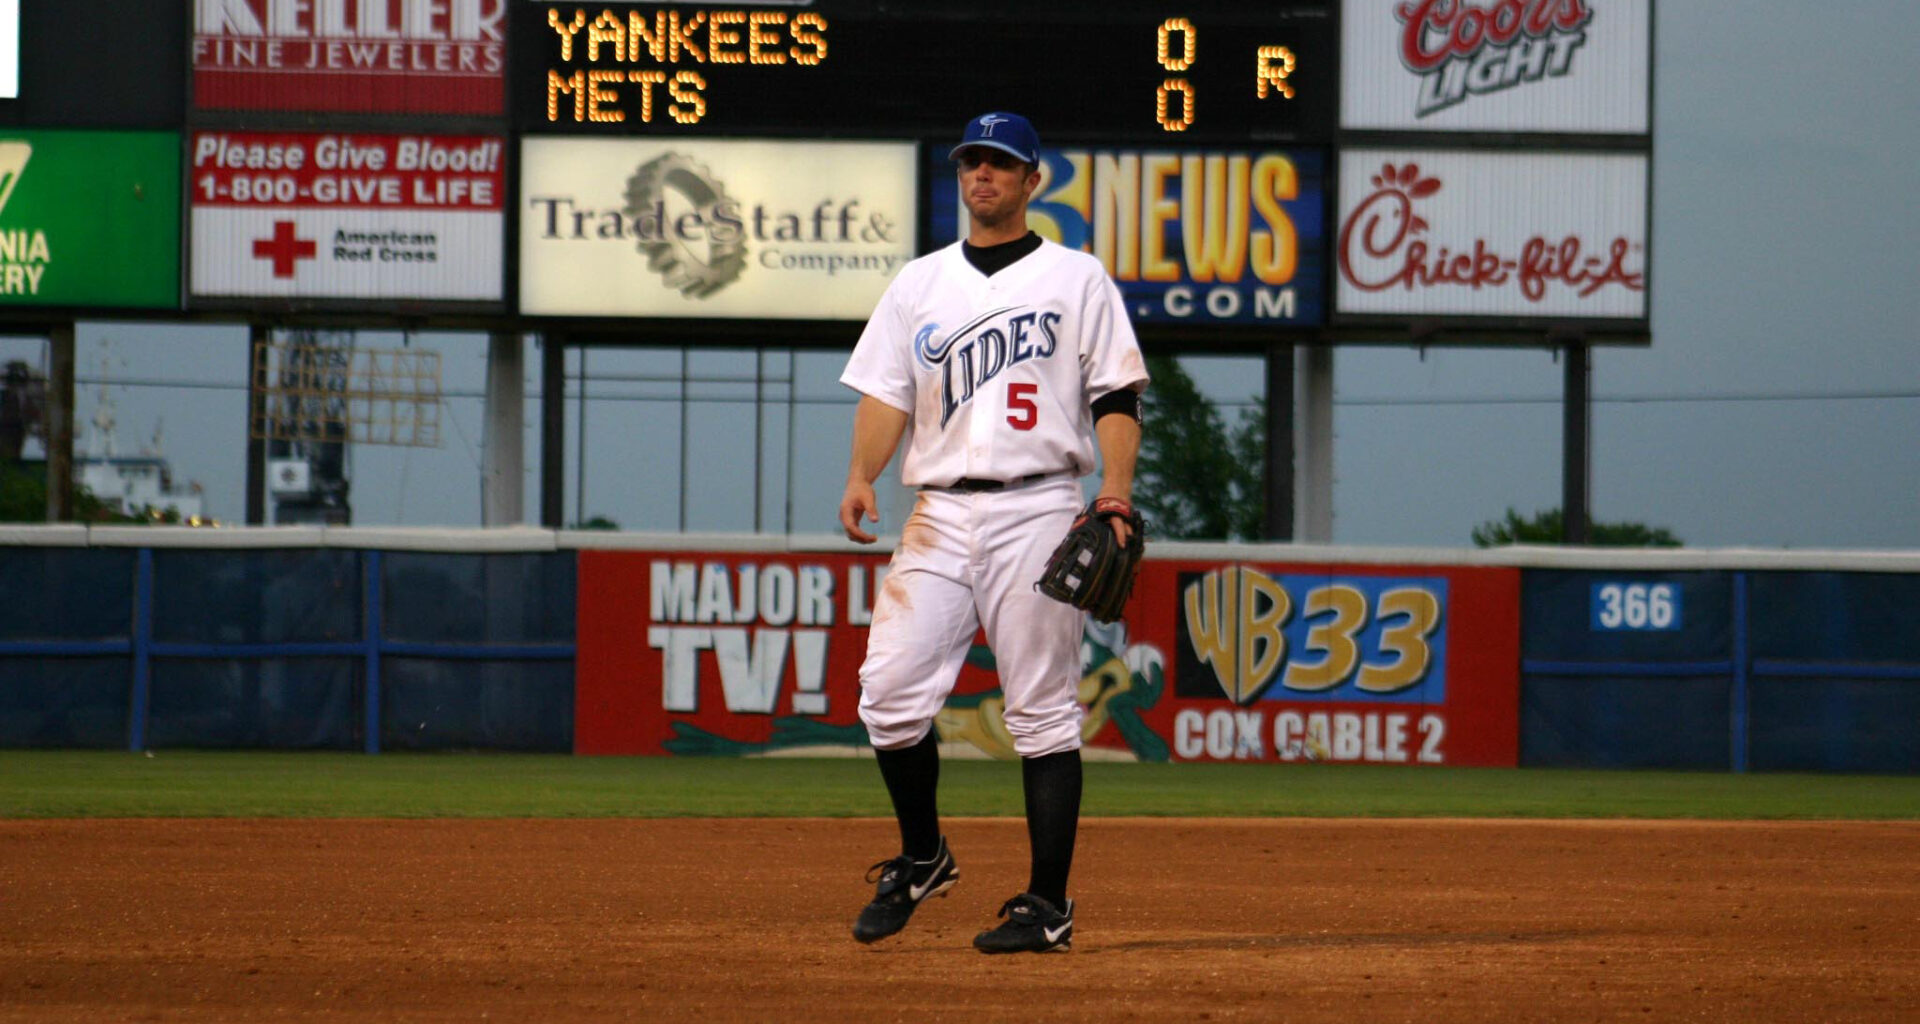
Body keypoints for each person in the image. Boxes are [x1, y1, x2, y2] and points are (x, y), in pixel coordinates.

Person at [836, 111, 1149, 954]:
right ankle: (923, 855)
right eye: (973, 162)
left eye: (1001, 164)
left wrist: (1113, 493)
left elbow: (1116, 396)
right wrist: (864, 473)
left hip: (1040, 503)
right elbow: (887, 393)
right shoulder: (919, 284)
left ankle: (1047, 906)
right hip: (937, 509)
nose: (983, 176)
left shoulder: (1076, 279)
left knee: (1043, 713)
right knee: (888, 696)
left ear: (1031, 180)